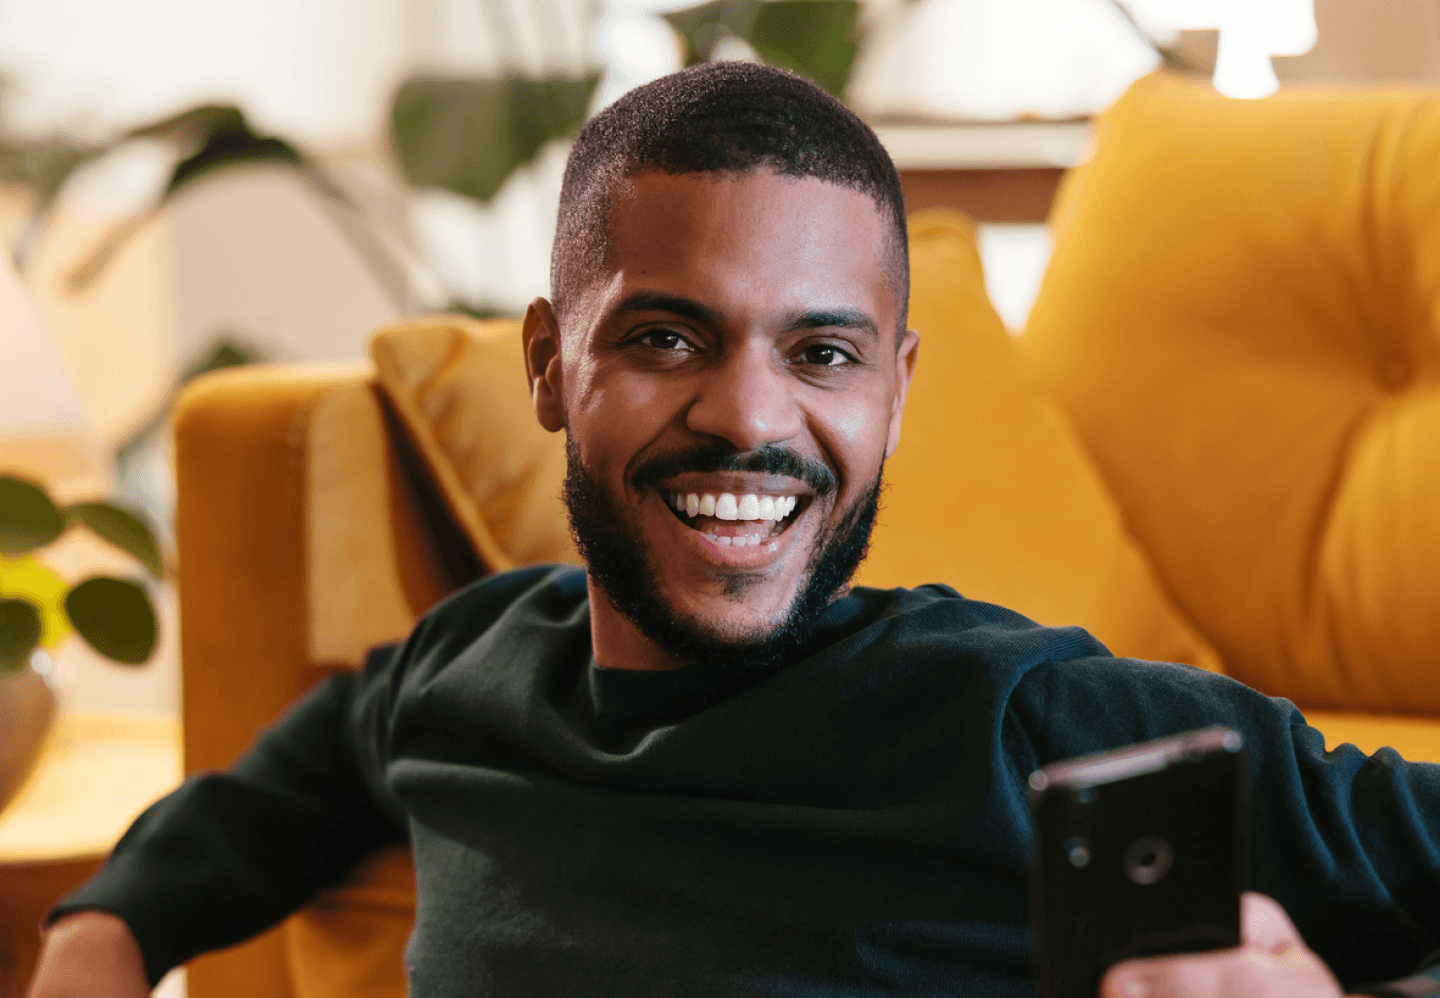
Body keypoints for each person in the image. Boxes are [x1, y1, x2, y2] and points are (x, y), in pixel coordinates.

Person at [26, 62, 1440, 998]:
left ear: (897, 388)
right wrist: (111, 925)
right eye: (664, 336)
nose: (746, 417)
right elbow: (305, 766)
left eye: (823, 353)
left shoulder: (1035, 716)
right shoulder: (467, 670)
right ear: (545, 364)